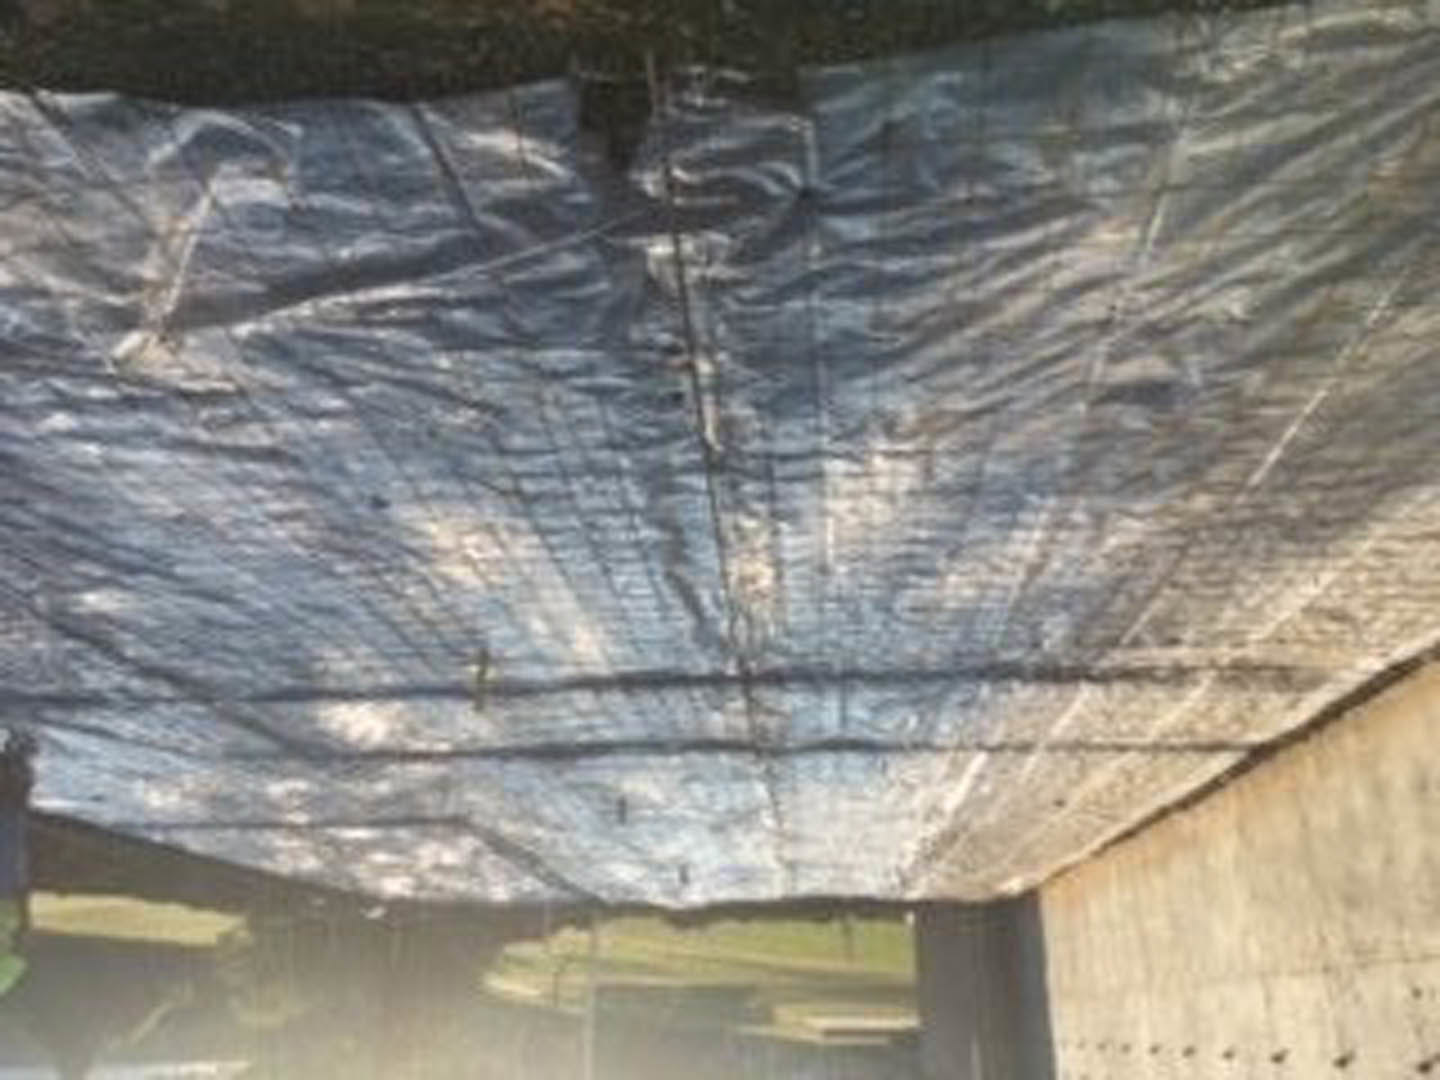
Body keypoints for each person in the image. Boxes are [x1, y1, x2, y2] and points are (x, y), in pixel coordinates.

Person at [0, 728, 35, 997]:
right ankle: (17, 757)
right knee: (11, 824)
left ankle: (16, 757)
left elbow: (24, 937)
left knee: (11, 825)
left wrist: (24, 899)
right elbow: (23, 939)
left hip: (10, 892)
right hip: (8, 892)